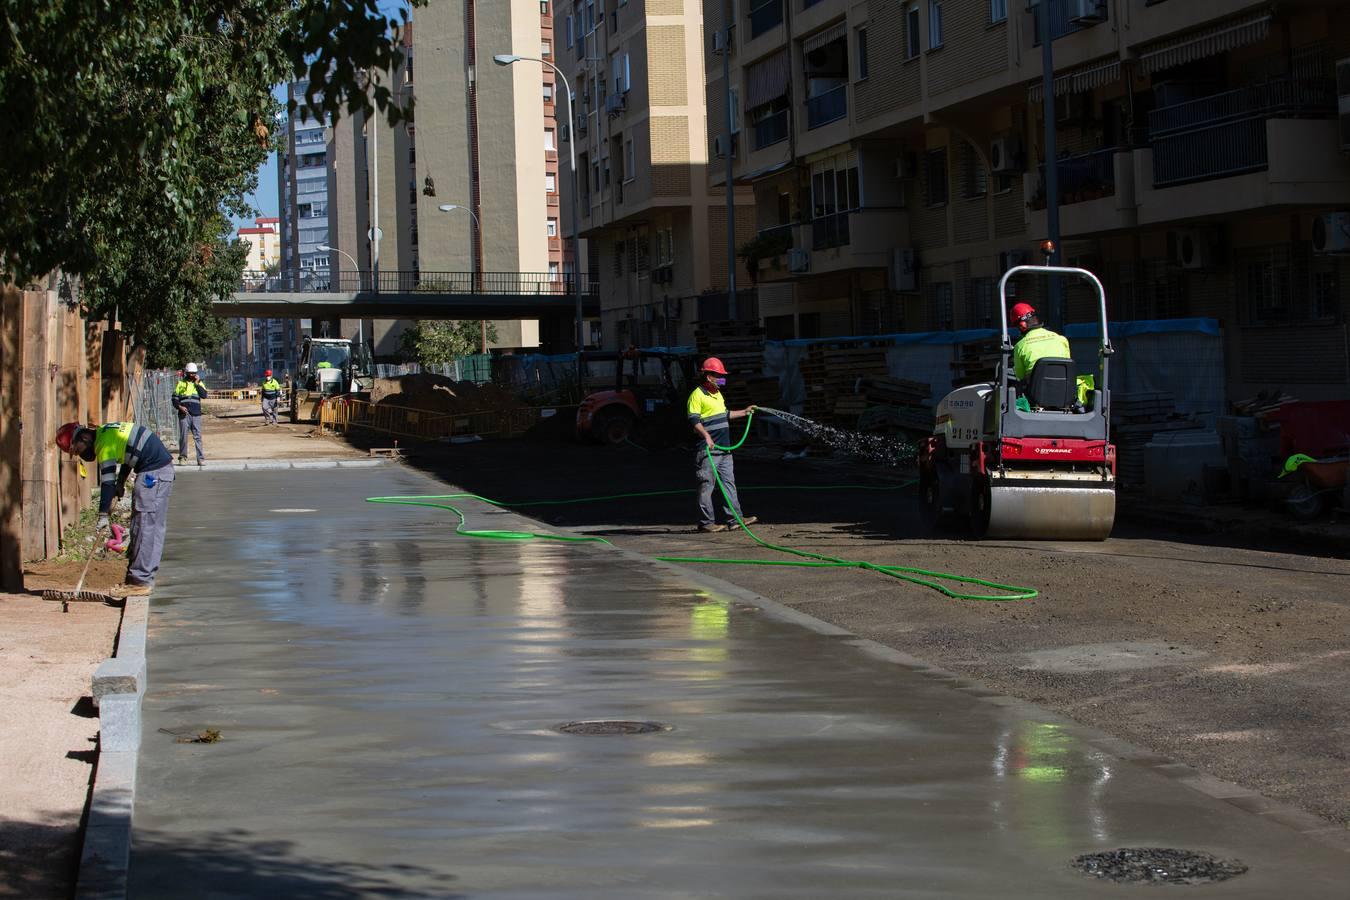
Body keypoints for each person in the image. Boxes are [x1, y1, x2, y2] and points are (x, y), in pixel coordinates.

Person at [55, 421, 175, 596]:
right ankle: (136, 578)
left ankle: (140, 582)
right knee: (139, 526)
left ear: (85, 437)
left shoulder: (104, 445)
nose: (81, 455)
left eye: (78, 450)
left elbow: (107, 483)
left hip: (153, 474)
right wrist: (121, 482)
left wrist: (103, 515)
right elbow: (129, 454)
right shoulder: (107, 432)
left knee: (146, 528)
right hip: (153, 471)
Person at [687, 357, 757, 533]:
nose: (722, 379)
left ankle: (735, 519)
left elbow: (724, 415)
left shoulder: (718, 394)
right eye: (719, 376)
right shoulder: (696, 395)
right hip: (707, 451)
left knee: (728, 484)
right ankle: (706, 523)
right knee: (706, 486)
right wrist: (706, 436)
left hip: (725, 450)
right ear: (709, 376)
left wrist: (744, 412)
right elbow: (694, 420)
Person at [1010, 302, 1071, 382]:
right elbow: (1067, 366)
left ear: (1022, 326)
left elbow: (1020, 376)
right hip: (1064, 391)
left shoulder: (1020, 346)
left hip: (1036, 393)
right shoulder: (1061, 339)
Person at [173, 362, 208, 466]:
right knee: (183, 436)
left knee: (198, 436)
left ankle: (200, 459)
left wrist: (197, 384)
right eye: (190, 373)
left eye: (194, 373)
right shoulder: (180, 383)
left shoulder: (199, 383)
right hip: (184, 414)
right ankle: (183, 458)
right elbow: (174, 398)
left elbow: (204, 395)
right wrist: (179, 407)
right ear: (186, 373)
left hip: (196, 414)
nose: (192, 375)